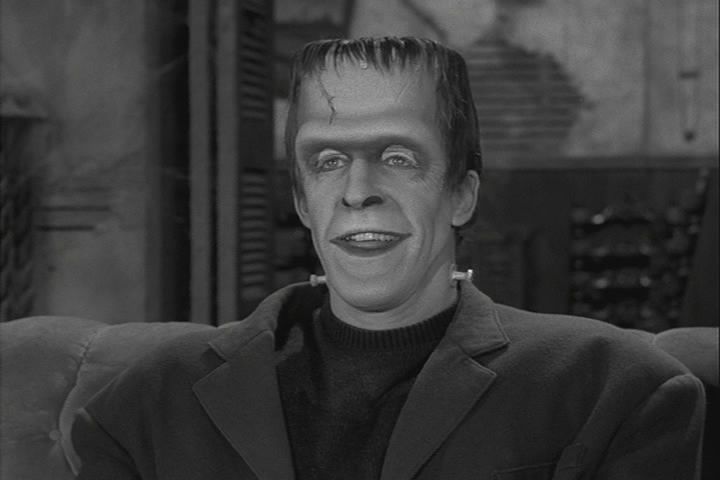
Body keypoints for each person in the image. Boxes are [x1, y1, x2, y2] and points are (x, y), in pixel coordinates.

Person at [72, 37, 705, 479]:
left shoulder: (613, 388)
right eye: (327, 161)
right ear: (302, 201)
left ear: (461, 194)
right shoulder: (142, 405)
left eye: (398, 157)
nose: (357, 191)